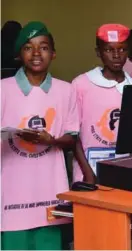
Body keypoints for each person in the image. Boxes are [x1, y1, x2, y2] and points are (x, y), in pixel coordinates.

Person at [1, 21, 79, 250]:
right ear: (19, 55)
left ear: (53, 54)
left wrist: (51, 140)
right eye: (28, 47)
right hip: (12, 192)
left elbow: (72, 137)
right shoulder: (2, 89)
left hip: (49, 190)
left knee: (49, 243)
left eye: (43, 47)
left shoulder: (66, 90)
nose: (36, 53)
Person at [71, 24, 132, 184]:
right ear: (98, 52)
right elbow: (73, 134)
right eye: (109, 50)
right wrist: (87, 173)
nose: (116, 55)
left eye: (122, 49)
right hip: (87, 173)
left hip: (124, 170)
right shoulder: (81, 84)